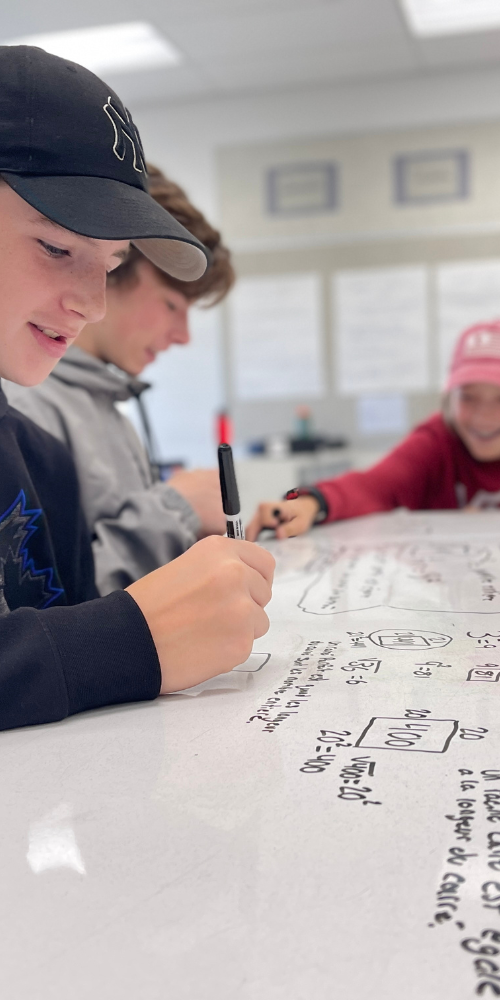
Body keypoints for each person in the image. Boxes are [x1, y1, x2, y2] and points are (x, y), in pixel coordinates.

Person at [0, 44, 274, 732]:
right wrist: (131, 640)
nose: (92, 304)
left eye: (110, 264)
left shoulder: (36, 455)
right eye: (57, 248)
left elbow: (61, 612)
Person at [6, 165, 235, 593]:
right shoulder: (25, 405)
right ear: (115, 276)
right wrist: (177, 508)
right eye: (171, 305)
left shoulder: (110, 410)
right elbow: (52, 602)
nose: (182, 336)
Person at [247, 321, 500, 540]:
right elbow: (372, 487)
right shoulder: (437, 443)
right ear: (448, 399)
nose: (484, 416)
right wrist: (314, 502)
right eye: (468, 397)